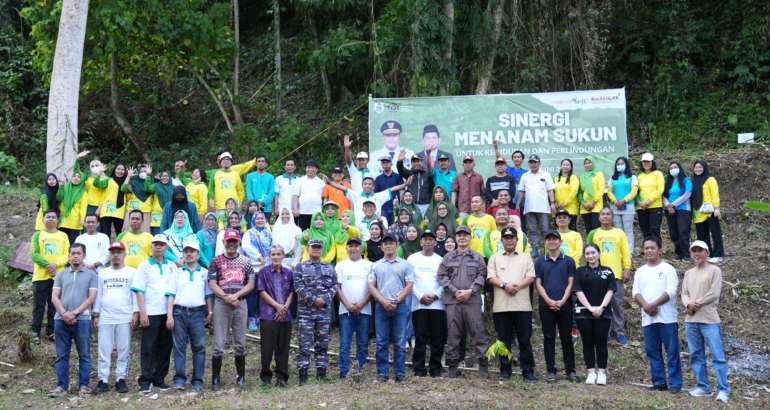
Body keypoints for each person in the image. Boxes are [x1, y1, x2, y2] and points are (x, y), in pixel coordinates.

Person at [633, 237, 683, 393]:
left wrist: (653, 304)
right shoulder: (640, 271)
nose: (649, 250)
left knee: (672, 351)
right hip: (648, 318)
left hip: (667, 318)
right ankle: (659, 381)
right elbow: (636, 292)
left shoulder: (668, 269)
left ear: (660, 250)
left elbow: (671, 291)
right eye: (646, 248)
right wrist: (646, 306)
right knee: (653, 351)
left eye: (652, 248)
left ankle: (675, 383)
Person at [439, 226, 490, 379]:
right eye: (459, 235)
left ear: (470, 238)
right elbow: (442, 276)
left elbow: (482, 275)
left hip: (472, 300)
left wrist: (470, 290)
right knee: (453, 334)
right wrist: (454, 291)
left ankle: (483, 368)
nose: (462, 238)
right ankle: (453, 368)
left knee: (478, 332)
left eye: (465, 235)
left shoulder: (477, 257)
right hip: (453, 301)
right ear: (456, 238)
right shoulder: (448, 257)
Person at [486, 228, 537, 382]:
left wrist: (517, 287)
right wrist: (504, 285)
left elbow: (531, 277)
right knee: (503, 340)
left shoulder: (526, 257)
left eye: (512, 238)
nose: (509, 240)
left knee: (525, 340)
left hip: (522, 305)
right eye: (506, 238)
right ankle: (505, 370)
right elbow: (491, 277)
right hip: (501, 306)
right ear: (501, 240)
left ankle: (528, 371)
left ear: (517, 240)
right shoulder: (494, 258)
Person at [48, 244, 98, 398]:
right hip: (60, 320)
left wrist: (75, 313)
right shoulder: (61, 275)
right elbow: (54, 297)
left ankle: (84, 386)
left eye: (78, 253)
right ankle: (62, 387)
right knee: (61, 355)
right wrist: (64, 314)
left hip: (82, 320)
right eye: (72, 253)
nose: (75, 256)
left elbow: (91, 298)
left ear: (84, 255)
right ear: (69, 256)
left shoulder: (92, 275)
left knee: (84, 355)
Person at [682, 241, 730, 403]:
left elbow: (714, 293)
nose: (697, 253)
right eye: (694, 251)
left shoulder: (714, 270)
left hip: (709, 320)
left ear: (707, 253)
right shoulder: (688, 273)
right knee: (696, 354)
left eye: (700, 251)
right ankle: (703, 386)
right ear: (690, 254)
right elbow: (684, 293)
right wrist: (688, 304)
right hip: (691, 320)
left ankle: (723, 389)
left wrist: (695, 304)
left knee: (717, 356)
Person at [208, 229, 255, 390]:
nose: (231, 244)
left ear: (239, 242)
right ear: (223, 242)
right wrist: (226, 297)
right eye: (229, 241)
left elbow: (250, 283)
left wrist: (236, 296)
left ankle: (241, 378)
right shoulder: (216, 261)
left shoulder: (245, 261)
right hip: (222, 305)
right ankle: (215, 379)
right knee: (218, 343)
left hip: (241, 304)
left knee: (240, 343)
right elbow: (213, 283)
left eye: (234, 241)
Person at [165, 241, 214, 392]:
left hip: (198, 314)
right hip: (179, 313)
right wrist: (169, 316)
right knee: (179, 347)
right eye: (186, 251)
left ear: (198, 254)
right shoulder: (177, 272)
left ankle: (197, 380)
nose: (189, 253)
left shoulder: (204, 273)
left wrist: (210, 313)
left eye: (192, 251)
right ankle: (180, 379)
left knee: (199, 347)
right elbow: (171, 295)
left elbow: (208, 295)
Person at [93, 242, 139, 395]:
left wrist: (135, 313)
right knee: (103, 350)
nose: (116, 255)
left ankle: (121, 379)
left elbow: (134, 294)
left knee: (123, 349)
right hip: (106, 317)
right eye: (113, 253)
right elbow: (98, 295)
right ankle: (103, 380)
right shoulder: (103, 273)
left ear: (125, 254)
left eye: (119, 252)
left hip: (124, 317)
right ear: (109, 255)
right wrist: (96, 314)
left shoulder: (132, 272)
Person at [132, 235, 176, 393]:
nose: (158, 247)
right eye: (155, 244)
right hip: (151, 312)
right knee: (148, 348)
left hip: (168, 313)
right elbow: (139, 291)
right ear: (151, 247)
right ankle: (145, 380)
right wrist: (142, 313)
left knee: (165, 348)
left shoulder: (172, 266)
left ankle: (159, 379)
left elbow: (174, 290)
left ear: (166, 248)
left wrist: (171, 314)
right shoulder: (144, 266)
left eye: (162, 245)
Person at [368, 233, 414, 382]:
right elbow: (371, 286)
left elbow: (409, 286)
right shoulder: (375, 265)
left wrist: (395, 301)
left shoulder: (406, 264)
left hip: (399, 307)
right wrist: (383, 301)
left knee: (400, 342)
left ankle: (400, 372)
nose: (388, 245)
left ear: (397, 246)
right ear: (381, 247)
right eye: (385, 243)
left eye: (391, 243)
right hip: (381, 307)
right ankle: (383, 373)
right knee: (381, 342)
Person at [534, 231, 578, 383]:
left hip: (565, 305)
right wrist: (548, 301)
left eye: (555, 239)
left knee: (566, 338)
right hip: (545, 305)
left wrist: (562, 301)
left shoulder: (569, 261)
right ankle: (551, 370)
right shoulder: (540, 262)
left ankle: (570, 371)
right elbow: (538, 284)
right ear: (545, 243)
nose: (551, 242)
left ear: (560, 241)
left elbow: (571, 282)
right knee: (549, 338)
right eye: (548, 240)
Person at [293, 239, 338, 385]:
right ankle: (303, 376)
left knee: (323, 344)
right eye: (314, 247)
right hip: (306, 312)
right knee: (304, 344)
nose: (317, 250)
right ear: (308, 249)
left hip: (323, 313)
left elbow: (334, 286)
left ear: (322, 250)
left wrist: (324, 299)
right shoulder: (300, 267)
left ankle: (321, 375)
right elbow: (298, 286)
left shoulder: (329, 267)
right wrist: (313, 299)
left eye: (319, 247)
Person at [586, 207, 632, 344]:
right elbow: (588, 253)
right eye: (603, 214)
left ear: (612, 217)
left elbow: (625, 251)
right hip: (597, 275)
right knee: (600, 305)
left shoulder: (619, 233)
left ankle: (619, 332)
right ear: (599, 218)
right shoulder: (594, 233)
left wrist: (627, 268)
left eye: (608, 214)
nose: (605, 216)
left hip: (615, 275)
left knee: (617, 305)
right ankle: (604, 331)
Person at [572, 244, 616, 385]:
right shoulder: (580, 271)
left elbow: (610, 290)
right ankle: (591, 372)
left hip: (603, 312)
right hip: (584, 312)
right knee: (587, 342)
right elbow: (578, 291)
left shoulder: (607, 271)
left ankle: (602, 373)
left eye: (593, 253)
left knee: (601, 342)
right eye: (587, 254)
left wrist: (601, 307)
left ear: (599, 253)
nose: (590, 256)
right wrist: (590, 308)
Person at [407, 229, 445, 378]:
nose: (428, 242)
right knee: (420, 338)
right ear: (421, 242)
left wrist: (436, 296)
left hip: (438, 305)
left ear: (435, 242)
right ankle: (419, 369)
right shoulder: (412, 258)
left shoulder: (440, 259)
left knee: (437, 338)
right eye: (425, 239)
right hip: (419, 305)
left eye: (431, 239)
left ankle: (435, 369)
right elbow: (409, 281)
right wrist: (420, 296)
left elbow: (444, 281)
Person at [335, 237, 373, 379]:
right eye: (350, 246)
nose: (353, 248)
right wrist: (348, 304)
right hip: (346, 311)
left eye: (356, 246)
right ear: (346, 249)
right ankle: (344, 372)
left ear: (361, 248)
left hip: (365, 309)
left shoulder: (369, 265)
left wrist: (362, 303)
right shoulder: (340, 265)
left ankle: (359, 370)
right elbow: (337, 288)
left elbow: (372, 288)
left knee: (362, 343)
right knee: (345, 343)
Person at [258, 245, 295, 387]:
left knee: (283, 347)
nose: (276, 257)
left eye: (278, 254)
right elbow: (262, 291)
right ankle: (266, 378)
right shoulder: (263, 272)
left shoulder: (289, 273)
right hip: (268, 315)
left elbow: (292, 291)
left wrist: (284, 308)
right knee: (267, 347)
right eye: (273, 254)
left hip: (285, 315)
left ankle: (282, 377)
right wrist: (277, 306)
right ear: (269, 256)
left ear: (283, 256)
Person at [30, 209, 70, 344]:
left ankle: (51, 331)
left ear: (57, 220)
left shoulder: (63, 235)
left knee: (55, 304)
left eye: (53, 217)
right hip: (40, 276)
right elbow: (34, 254)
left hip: (58, 276)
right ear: (43, 220)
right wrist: (49, 266)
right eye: (48, 217)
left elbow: (66, 254)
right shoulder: (37, 235)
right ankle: (35, 332)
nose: (51, 219)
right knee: (39, 305)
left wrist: (56, 265)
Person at [326, 175, 409, 230]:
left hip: (375, 229)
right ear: (362, 186)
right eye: (365, 184)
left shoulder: (379, 196)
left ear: (374, 187)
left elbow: (393, 189)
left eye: (370, 184)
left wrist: (405, 184)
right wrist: (329, 182)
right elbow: (342, 188)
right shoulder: (356, 196)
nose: (367, 186)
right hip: (358, 229)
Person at [516, 154, 556, 258]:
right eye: (531, 162)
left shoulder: (546, 174)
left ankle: (546, 249)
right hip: (529, 207)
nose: (533, 164)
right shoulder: (525, 176)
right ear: (529, 164)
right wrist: (517, 204)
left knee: (544, 229)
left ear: (539, 163)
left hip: (543, 207)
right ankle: (535, 249)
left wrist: (552, 203)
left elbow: (550, 190)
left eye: (535, 162)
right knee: (532, 229)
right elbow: (521, 191)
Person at [242, 211, 272, 330]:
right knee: (252, 293)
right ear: (254, 220)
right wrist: (259, 255)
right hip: (252, 267)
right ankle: (251, 318)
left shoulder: (268, 233)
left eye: (262, 218)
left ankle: (260, 315)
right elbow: (245, 246)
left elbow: (271, 248)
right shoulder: (249, 233)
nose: (260, 220)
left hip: (265, 268)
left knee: (262, 293)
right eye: (257, 219)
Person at [691, 160, 724, 262]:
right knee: (702, 235)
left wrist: (717, 208)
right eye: (696, 167)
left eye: (700, 167)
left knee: (715, 233)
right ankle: (707, 254)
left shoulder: (710, 179)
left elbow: (715, 194)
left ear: (704, 168)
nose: (698, 169)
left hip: (710, 211)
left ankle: (718, 254)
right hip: (698, 212)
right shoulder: (693, 181)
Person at [493, 141, 529, 232]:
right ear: (512, 159)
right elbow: (499, 158)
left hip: (523, 203)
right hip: (511, 202)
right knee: (509, 223)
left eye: (518, 157)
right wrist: (496, 147)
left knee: (522, 224)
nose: (516, 159)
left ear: (522, 159)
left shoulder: (526, 173)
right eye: (514, 157)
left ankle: (521, 242)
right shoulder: (509, 169)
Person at [663, 162, 693, 262]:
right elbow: (664, 196)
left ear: (680, 168)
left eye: (675, 167)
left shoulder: (686, 180)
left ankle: (686, 254)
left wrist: (674, 204)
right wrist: (668, 205)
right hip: (669, 210)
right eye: (671, 168)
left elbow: (687, 193)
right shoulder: (668, 183)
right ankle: (679, 253)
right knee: (674, 233)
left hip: (683, 209)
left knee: (683, 231)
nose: (673, 169)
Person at [607, 157, 638, 252]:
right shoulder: (612, 178)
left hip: (628, 206)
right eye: (618, 164)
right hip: (615, 206)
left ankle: (629, 252)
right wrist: (615, 201)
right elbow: (609, 191)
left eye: (622, 163)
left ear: (626, 165)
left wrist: (624, 200)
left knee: (628, 230)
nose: (620, 166)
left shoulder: (632, 177)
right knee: (618, 230)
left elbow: (634, 191)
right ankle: (620, 252)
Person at [93, 163, 129, 238]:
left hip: (119, 211)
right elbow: (96, 184)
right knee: (105, 234)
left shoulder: (127, 182)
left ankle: (120, 249)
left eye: (122, 169)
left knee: (120, 233)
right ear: (114, 170)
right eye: (118, 169)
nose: (120, 171)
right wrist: (100, 172)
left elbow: (125, 191)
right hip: (106, 210)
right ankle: (106, 249)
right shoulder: (108, 180)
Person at [637, 153, 665, 244]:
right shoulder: (639, 176)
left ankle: (658, 253)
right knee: (645, 232)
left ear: (652, 162)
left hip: (655, 206)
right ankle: (648, 252)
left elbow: (660, 189)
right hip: (641, 207)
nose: (646, 163)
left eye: (648, 161)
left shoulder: (657, 174)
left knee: (655, 230)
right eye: (644, 161)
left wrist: (650, 200)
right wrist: (639, 202)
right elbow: (635, 192)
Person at [293, 158, 326, 231]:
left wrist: (324, 212)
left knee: (316, 233)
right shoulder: (300, 180)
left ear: (316, 169)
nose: (310, 169)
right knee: (304, 233)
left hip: (317, 212)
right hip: (303, 212)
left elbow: (324, 198)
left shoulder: (321, 182)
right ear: (305, 169)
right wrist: (295, 209)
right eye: (309, 167)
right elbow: (296, 196)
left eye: (313, 167)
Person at [56, 170, 88, 244]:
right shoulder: (65, 187)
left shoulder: (83, 192)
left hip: (74, 221)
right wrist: (61, 186)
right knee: (62, 242)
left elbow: (83, 207)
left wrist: (82, 218)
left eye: (79, 177)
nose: (76, 178)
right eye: (74, 176)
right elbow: (59, 198)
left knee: (73, 243)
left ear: (82, 180)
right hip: (63, 220)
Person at [373, 155, 403, 226]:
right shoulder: (378, 179)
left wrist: (401, 205)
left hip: (395, 208)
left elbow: (401, 191)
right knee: (383, 228)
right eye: (383, 163)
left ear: (391, 164)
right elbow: (376, 195)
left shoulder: (398, 177)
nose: (385, 164)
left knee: (396, 228)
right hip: (383, 209)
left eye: (387, 162)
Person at [123, 163, 153, 233]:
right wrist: (128, 177)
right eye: (141, 171)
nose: (143, 173)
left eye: (145, 171)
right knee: (128, 231)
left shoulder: (152, 183)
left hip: (145, 210)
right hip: (132, 210)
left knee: (144, 232)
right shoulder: (133, 182)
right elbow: (123, 189)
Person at [579, 156, 605, 234]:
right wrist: (583, 203)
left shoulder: (598, 174)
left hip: (596, 205)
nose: (587, 165)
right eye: (585, 163)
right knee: (588, 229)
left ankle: (597, 246)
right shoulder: (582, 176)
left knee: (596, 228)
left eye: (589, 163)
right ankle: (590, 246)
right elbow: (580, 192)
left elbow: (601, 189)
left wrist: (594, 202)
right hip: (585, 206)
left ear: (593, 163)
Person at [245, 154, 275, 220]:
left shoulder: (270, 177)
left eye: (262, 161)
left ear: (266, 164)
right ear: (256, 164)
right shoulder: (250, 176)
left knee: (265, 228)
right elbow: (249, 191)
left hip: (266, 208)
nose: (261, 163)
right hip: (253, 208)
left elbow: (271, 192)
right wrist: (254, 204)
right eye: (258, 161)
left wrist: (263, 203)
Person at [553, 159, 579, 231]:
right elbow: (552, 192)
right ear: (560, 166)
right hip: (558, 208)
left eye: (567, 165)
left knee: (571, 229)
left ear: (571, 167)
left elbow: (574, 191)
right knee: (559, 231)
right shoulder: (556, 178)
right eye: (563, 165)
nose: (565, 166)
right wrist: (554, 202)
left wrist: (565, 203)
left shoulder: (573, 177)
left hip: (570, 207)